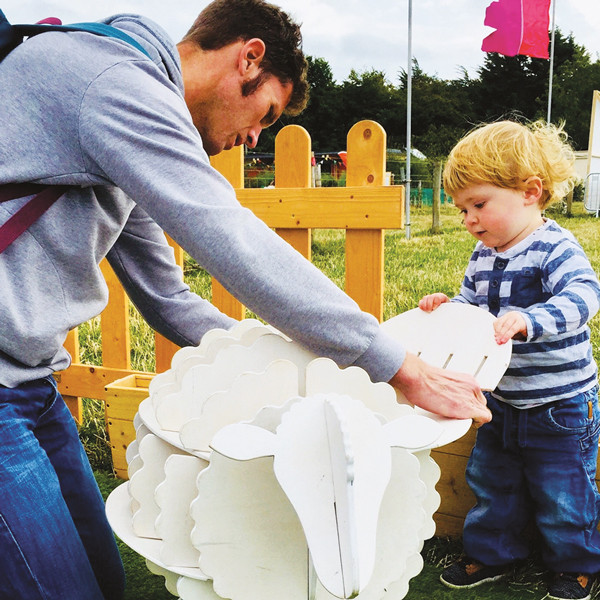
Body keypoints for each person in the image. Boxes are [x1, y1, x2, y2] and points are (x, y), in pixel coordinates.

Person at [0, 1, 489, 598]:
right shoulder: (111, 83)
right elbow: (233, 239)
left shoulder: (117, 112)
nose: (255, 137)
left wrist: (298, 365)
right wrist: (397, 365)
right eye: (267, 114)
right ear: (248, 58)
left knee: (103, 579)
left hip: (29, 383)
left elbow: (168, 298)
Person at [419, 120, 600, 600]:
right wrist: (448, 307)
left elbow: (585, 295)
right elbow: (471, 308)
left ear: (530, 192)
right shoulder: (482, 256)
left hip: (560, 404)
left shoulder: (554, 247)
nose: (469, 219)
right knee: (492, 483)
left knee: (564, 492)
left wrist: (530, 320)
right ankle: (494, 553)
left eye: (479, 204)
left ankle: (576, 564)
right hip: (499, 400)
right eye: (462, 210)